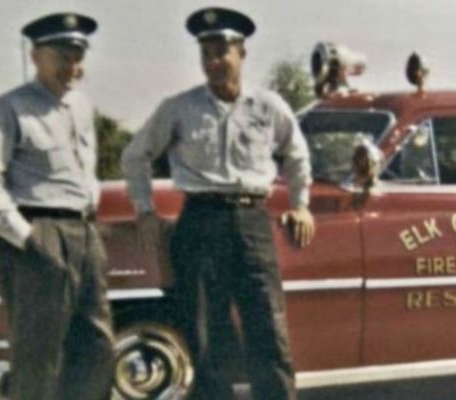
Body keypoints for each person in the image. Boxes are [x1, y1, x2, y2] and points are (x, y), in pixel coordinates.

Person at [121, 7, 314, 400]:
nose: (213, 62)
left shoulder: (268, 105)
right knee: (205, 335)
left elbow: (297, 154)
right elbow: (134, 155)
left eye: (221, 51)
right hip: (200, 222)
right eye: (205, 53)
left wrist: (301, 203)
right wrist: (144, 210)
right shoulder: (179, 108)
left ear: (241, 52)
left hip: (252, 222)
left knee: (268, 329)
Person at [0, 12, 114, 400]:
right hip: (37, 234)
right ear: (36, 56)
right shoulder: (7, 109)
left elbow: (86, 172)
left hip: (83, 233)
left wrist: (88, 214)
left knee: (95, 346)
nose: (72, 67)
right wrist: (27, 237)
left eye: (78, 57)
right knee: (39, 353)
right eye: (62, 56)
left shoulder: (80, 107)